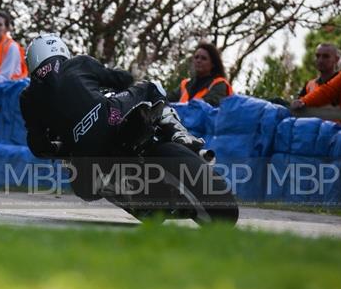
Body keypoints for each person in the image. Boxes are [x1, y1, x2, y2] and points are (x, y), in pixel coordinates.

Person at [20, 33, 205, 200]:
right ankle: (178, 133)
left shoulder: (27, 98)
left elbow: (39, 146)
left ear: (32, 63)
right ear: (61, 49)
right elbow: (123, 79)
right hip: (111, 117)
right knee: (151, 87)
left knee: (83, 190)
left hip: (83, 153)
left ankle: (114, 186)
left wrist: (62, 147)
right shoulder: (79, 63)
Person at [167, 42, 233, 107]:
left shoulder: (219, 84)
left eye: (204, 58)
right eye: (196, 57)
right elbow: (168, 99)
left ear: (213, 64)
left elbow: (211, 105)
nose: (198, 60)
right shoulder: (185, 84)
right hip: (181, 117)